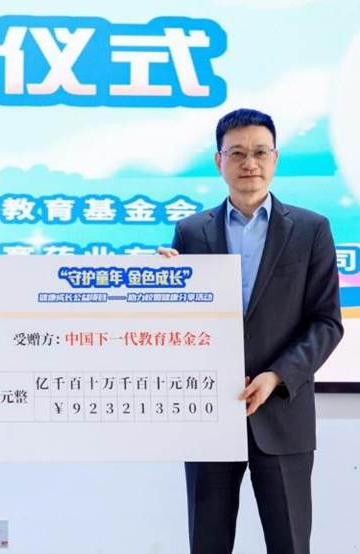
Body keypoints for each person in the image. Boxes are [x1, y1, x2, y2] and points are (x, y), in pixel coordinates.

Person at [159, 108, 344, 553]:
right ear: (218, 161)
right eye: (237, 153)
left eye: (260, 152)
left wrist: (277, 376)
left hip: (281, 414)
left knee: (289, 545)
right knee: (208, 543)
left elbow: (326, 322)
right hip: (209, 414)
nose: (250, 163)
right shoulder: (190, 232)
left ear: (275, 159)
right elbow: (179, 324)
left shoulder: (311, 229)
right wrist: (162, 286)